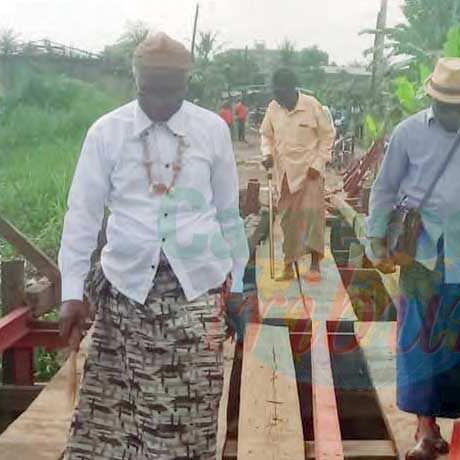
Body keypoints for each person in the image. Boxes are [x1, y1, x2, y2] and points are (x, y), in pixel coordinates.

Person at [57, 32, 248, 460]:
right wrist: (72, 293)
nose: (161, 103)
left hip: (196, 291)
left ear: (186, 84)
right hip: (126, 294)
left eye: (171, 92)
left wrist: (237, 287)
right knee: (115, 420)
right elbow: (82, 216)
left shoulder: (211, 130)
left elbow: (228, 214)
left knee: (192, 408)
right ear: (135, 80)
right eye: (151, 91)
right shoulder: (107, 132)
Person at [367, 57, 460, 460]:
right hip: (421, 254)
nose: (453, 113)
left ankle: (451, 419)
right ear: (433, 99)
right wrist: (376, 238)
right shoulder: (408, 132)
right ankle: (424, 429)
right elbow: (384, 189)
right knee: (420, 340)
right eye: (446, 105)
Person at [260, 68, 335, 282]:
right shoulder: (273, 108)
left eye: (281, 92)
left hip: (310, 171)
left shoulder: (312, 105)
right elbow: (266, 135)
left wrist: (319, 163)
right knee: (288, 221)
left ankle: (314, 264)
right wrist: (266, 154)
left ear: (292, 90)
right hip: (285, 173)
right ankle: (289, 264)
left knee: (312, 216)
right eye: (275, 92)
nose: (278, 96)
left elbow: (327, 135)